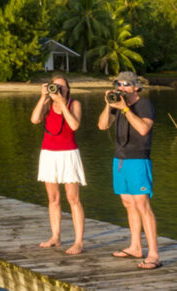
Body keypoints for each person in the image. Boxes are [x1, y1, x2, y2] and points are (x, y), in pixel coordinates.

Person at [97, 70, 160, 269]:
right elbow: (102, 126)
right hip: (120, 160)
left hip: (138, 160)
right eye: (118, 84)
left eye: (125, 85)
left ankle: (154, 254)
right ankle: (135, 246)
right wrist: (109, 105)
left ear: (136, 87)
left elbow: (143, 129)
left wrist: (125, 109)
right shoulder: (117, 104)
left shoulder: (144, 105)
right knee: (128, 203)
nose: (121, 88)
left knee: (142, 205)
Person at [30, 75, 85, 254]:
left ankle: (78, 242)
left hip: (68, 153)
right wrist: (42, 97)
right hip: (49, 154)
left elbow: (74, 125)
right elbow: (35, 119)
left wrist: (62, 102)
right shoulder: (47, 105)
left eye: (62, 87)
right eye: (55, 86)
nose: (59, 90)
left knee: (73, 198)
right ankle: (55, 236)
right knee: (53, 198)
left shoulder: (73, 104)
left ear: (68, 89)